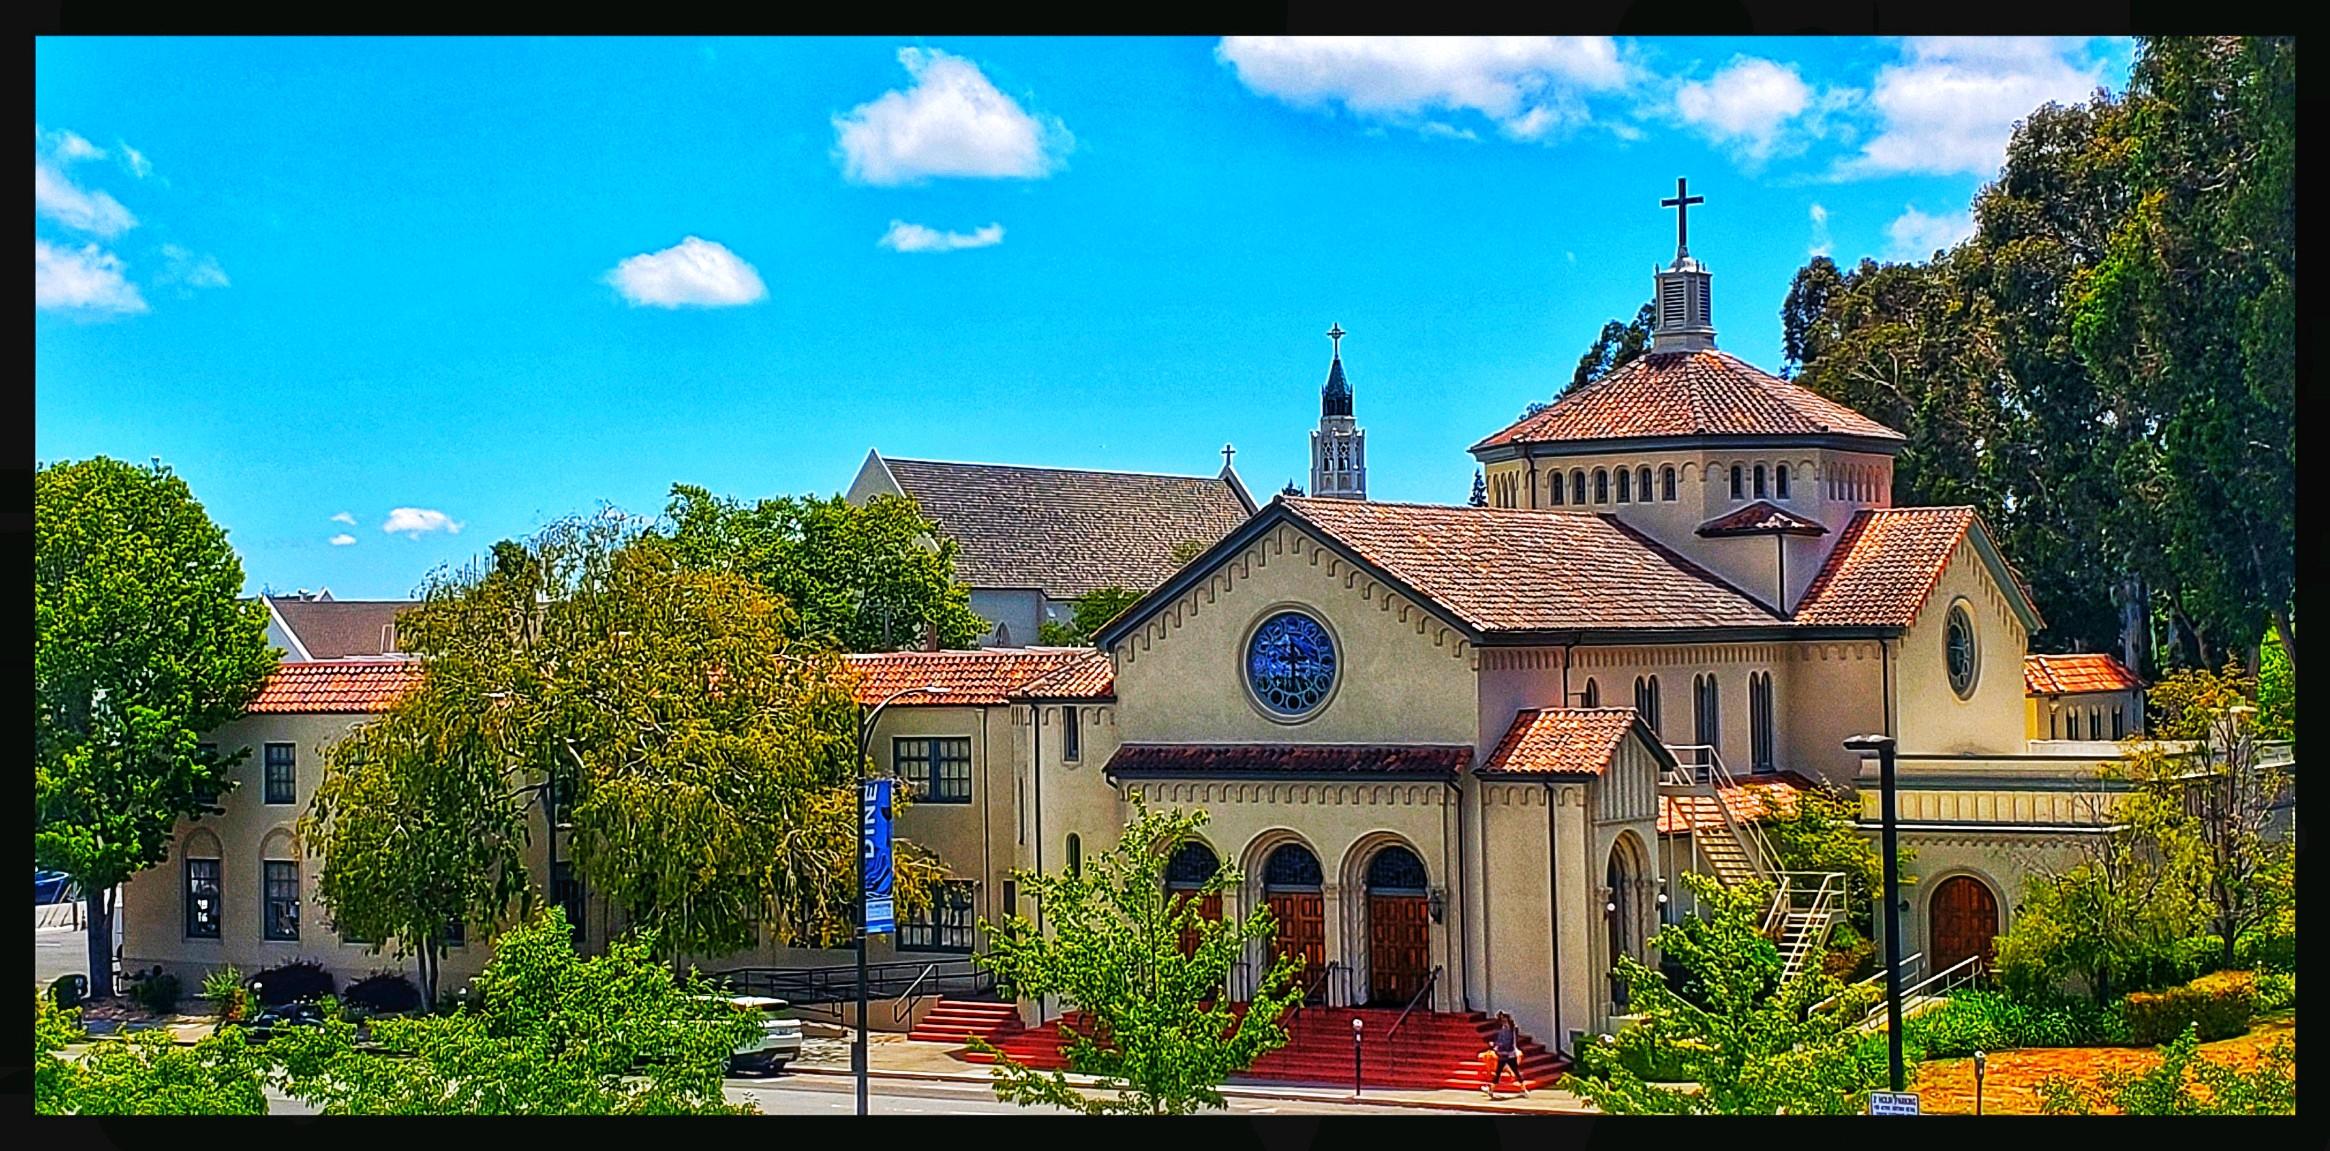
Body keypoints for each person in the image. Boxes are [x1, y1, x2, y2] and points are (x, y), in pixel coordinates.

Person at [1485, 1011, 1527, 1097]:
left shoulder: (1509, 1030)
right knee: (1505, 1071)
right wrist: (1496, 1044)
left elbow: (1507, 1042)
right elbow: (1502, 1040)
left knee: (1508, 1071)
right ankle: (1491, 1089)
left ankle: (1523, 1089)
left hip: (1507, 1054)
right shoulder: (1506, 1029)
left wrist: (1496, 1045)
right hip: (1506, 1054)